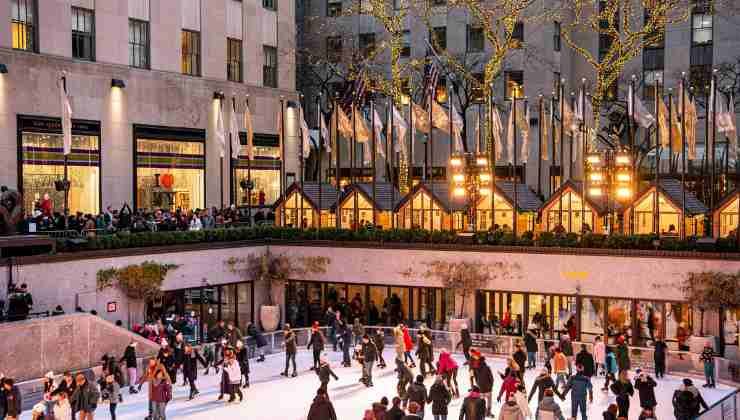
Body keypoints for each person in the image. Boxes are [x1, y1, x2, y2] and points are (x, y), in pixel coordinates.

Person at [470, 351, 494, 418]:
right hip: (487, 388)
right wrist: (490, 386)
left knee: (482, 401)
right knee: (489, 400)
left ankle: (485, 411)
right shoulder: (487, 367)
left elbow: (475, 377)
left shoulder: (475, 367)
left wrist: (478, 384)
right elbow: (491, 379)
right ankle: (488, 412)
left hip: (481, 387)